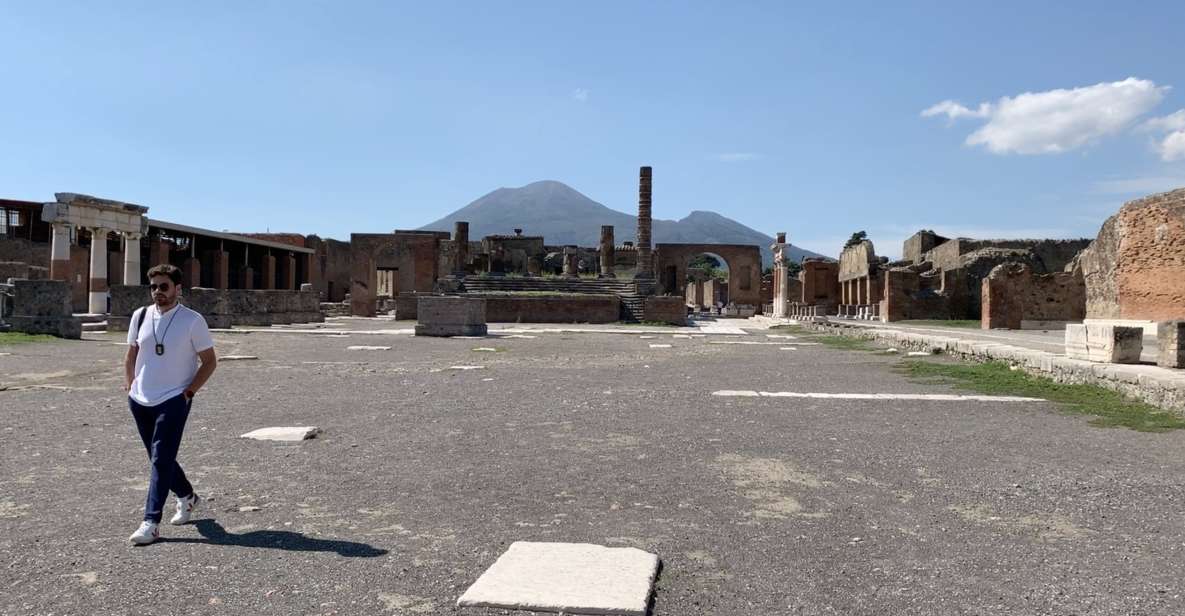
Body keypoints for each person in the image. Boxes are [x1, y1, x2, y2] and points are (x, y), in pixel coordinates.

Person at [124, 264, 218, 545]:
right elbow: (131, 354)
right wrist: (130, 386)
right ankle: (187, 496)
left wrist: (188, 393)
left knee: (161, 458)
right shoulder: (140, 316)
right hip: (141, 399)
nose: (157, 292)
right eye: (153, 287)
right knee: (158, 458)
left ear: (178, 289)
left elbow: (210, 361)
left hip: (174, 398)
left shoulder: (192, 320)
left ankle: (151, 522)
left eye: (164, 286)